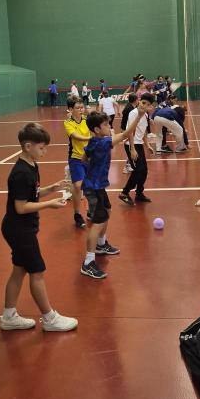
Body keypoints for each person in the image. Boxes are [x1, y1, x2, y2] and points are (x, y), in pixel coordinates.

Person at [0, 122, 78, 332]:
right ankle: (50, 318)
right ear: (28, 146)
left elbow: (31, 194)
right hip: (19, 229)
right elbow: (21, 207)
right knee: (37, 271)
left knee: (19, 269)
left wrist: (51, 189)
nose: (45, 152)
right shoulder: (20, 173)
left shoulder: (32, 165)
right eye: (41, 148)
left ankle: (8, 316)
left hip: (21, 227)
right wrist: (49, 204)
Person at [80, 109, 143, 279]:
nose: (109, 127)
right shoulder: (102, 143)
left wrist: (88, 170)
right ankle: (88, 262)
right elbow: (126, 134)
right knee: (98, 222)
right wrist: (139, 116)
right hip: (93, 187)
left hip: (97, 185)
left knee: (107, 211)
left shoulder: (94, 141)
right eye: (106, 125)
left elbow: (84, 158)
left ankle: (101, 245)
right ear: (96, 129)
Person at [119, 92, 156, 206]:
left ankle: (139, 193)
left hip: (139, 144)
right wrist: (132, 149)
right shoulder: (133, 113)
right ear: (139, 101)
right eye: (143, 103)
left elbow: (143, 131)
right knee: (138, 170)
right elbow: (130, 132)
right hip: (131, 144)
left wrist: (147, 145)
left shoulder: (145, 115)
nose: (144, 106)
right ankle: (124, 193)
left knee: (144, 171)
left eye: (148, 104)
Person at [64, 97, 91, 228]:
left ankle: (90, 210)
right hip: (76, 158)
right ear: (70, 109)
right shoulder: (68, 123)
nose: (81, 110)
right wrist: (90, 138)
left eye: (82, 107)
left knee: (90, 185)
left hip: (89, 157)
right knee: (78, 185)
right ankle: (77, 214)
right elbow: (75, 136)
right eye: (78, 108)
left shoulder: (87, 120)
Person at [121, 93, 138, 173]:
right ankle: (127, 166)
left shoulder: (130, 107)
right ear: (135, 100)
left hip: (127, 129)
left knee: (131, 147)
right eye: (138, 99)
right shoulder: (130, 109)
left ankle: (129, 165)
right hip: (127, 130)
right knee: (130, 147)